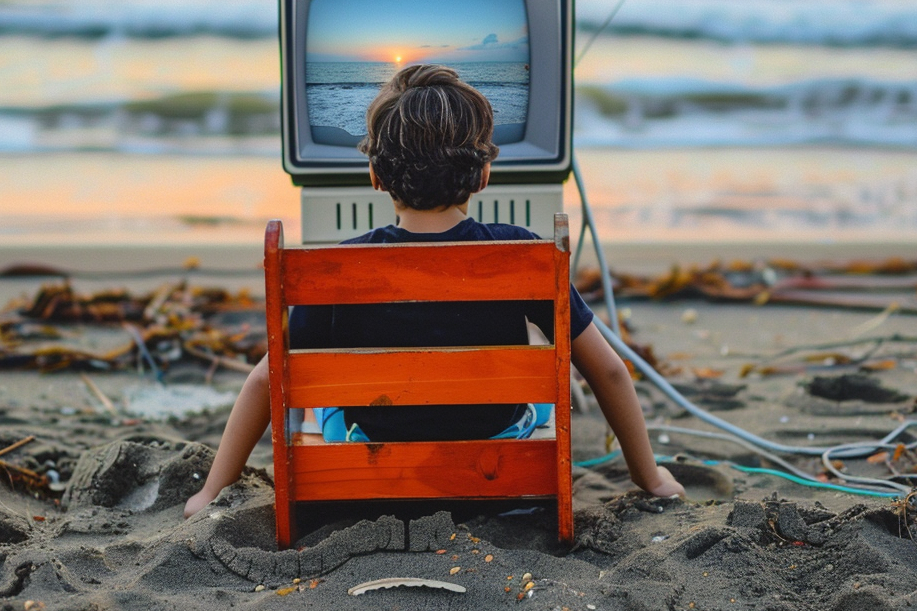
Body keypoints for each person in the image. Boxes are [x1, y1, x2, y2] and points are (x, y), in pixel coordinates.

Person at [184, 65, 683, 518]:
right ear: (483, 174)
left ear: (376, 176)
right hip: (495, 455)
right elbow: (610, 372)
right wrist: (651, 478)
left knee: (325, 398)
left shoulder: (338, 270)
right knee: (548, 391)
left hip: (378, 461)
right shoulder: (522, 255)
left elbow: (261, 384)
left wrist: (210, 494)